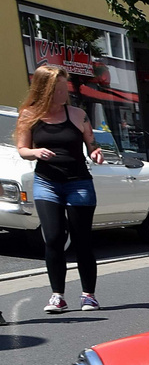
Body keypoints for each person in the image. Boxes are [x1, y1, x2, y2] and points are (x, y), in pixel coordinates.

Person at [13, 64, 104, 313]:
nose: (65, 93)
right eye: (59, 89)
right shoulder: (28, 115)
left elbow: (92, 144)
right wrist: (35, 152)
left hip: (79, 182)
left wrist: (96, 153)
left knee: (82, 239)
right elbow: (22, 150)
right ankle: (58, 296)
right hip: (46, 182)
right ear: (45, 90)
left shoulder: (77, 114)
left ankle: (88, 295)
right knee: (53, 238)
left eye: (66, 88)